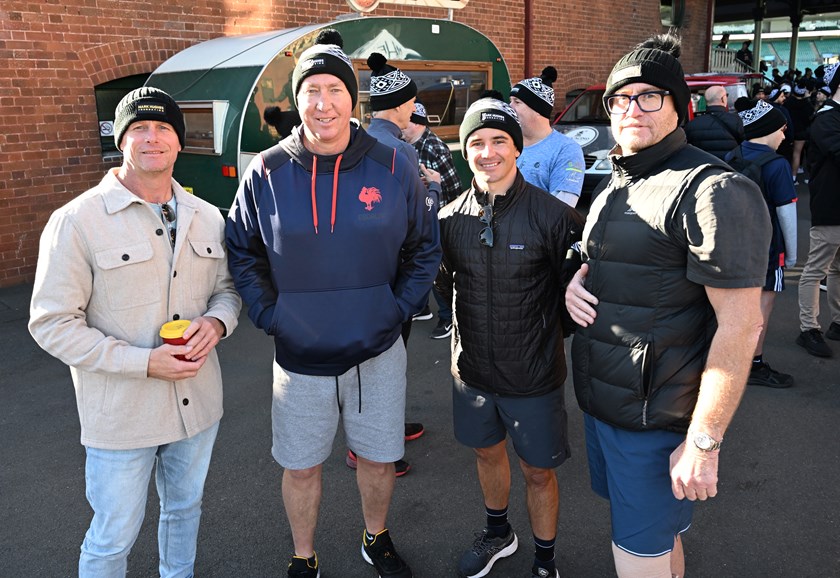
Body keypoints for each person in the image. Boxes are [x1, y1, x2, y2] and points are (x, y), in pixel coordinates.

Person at [224, 29, 441, 578]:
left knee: (376, 459)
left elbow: (424, 249)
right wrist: (272, 316)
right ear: (298, 100)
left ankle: (376, 537)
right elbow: (242, 250)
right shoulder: (266, 172)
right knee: (300, 467)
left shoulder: (394, 166)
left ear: (353, 98)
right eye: (311, 90)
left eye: (335, 89)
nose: (323, 103)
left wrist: (393, 312)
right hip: (300, 355)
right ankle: (304, 556)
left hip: (377, 351)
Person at [565, 33, 770, 578]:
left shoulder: (714, 189)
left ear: (680, 105)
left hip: (655, 423)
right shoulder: (619, 181)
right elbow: (606, 266)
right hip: (606, 405)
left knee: (638, 559)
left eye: (648, 96)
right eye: (620, 98)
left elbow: (742, 327)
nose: (631, 108)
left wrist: (705, 440)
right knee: (661, 544)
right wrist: (573, 285)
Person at [28, 87, 242, 577]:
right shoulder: (77, 221)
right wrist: (142, 361)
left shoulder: (208, 217)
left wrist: (217, 322)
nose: (152, 138)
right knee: (113, 537)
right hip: (122, 417)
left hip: (197, 406)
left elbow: (228, 291)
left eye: (163, 127)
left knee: (184, 513)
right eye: (139, 128)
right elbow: (52, 323)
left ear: (179, 140)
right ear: (121, 140)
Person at [437, 97, 584, 578]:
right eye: (476, 142)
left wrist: (542, 341)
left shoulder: (553, 217)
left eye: (499, 140)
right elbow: (444, 286)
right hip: (473, 371)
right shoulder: (449, 219)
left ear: (517, 148)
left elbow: (574, 293)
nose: (488, 152)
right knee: (486, 452)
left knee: (538, 472)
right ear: (465, 151)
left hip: (534, 374)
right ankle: (498, 532)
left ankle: (546, 560)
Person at [350, 51, 440, 475]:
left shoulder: (355, 140)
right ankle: (367, 447)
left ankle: (380, 433)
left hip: (358, 269)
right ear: (403, 104)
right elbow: (418, 213)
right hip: (394, 269)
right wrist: (435, 190)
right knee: (386, 360)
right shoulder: (401, 149)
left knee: (370, 359)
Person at [727, 99, 798, 387]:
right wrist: (791, 257)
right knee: (762, 306)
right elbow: (787, 213)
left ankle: (728, 356)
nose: (784, 136)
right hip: (767, 249)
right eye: (782, 130)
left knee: (731, 304)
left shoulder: (732, 155)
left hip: (732, 246)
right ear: (769, 130)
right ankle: (754, 364)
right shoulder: (777, 164)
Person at [402, 101, 463, 339]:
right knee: (416, 262)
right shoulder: (408, 144)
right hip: (418, 215)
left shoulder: (434, 147)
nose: (399, 126)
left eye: (404, 121)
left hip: (437, 217)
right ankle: (423, 308)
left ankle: (447, 318)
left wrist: (429, 185)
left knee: (437, 268)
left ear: (416, 123)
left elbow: (454, 186)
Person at [796, 62, 840, 358]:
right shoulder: (826, 119)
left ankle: (837, 322)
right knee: (816, 270)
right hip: (830, 205)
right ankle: (808, 328)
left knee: (838, 269)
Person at [509, 66, 585, 207]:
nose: (509, 106)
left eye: (517, 102)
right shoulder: (509, 144)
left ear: (537, 109)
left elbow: (562, 211)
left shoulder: (566, 150)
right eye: (511, 100)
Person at [684, 85, 744, 160]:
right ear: (723, 99)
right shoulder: (736, 120)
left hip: (704, 167)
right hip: (730, 166)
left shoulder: (692, 124)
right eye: (726, 95)